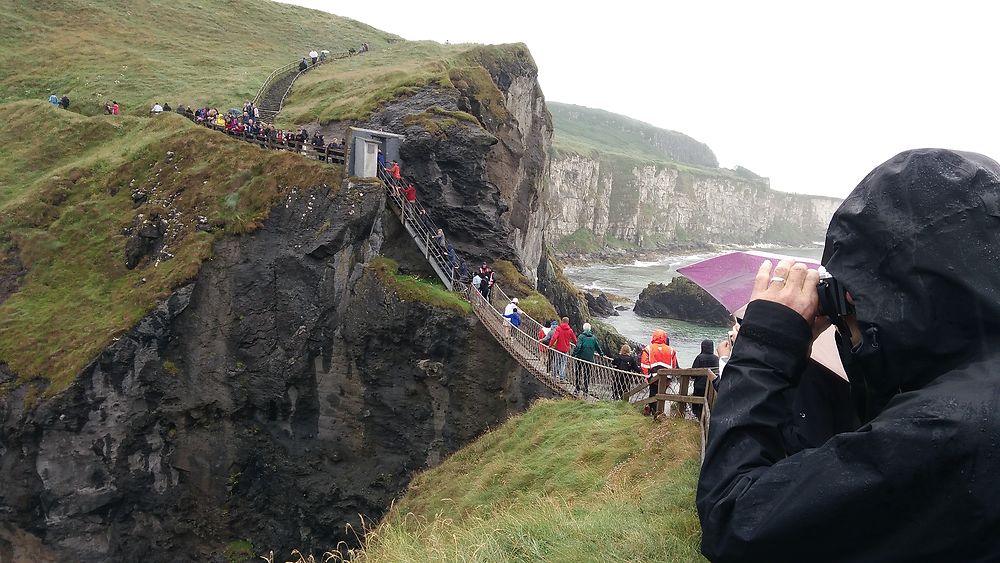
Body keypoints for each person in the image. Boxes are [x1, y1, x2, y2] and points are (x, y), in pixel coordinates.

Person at [697, 148, 1000, 562]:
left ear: (893, 301)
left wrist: (767, 346)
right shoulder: (971, 399)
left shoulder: (944, 431)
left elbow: (735, 521)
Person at [640, 329, 679, 416]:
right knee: (662, 395)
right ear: (665, 338)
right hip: (666, 378)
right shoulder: (671, 350)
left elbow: (644, 364)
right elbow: (674, 366)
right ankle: (659, 412)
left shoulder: (648, 348)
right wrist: (670, 377)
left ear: (654, 337)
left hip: (653, 377)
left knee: (653, 394)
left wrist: (647, 376)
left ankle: (654, 412)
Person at [571, 323, 603, 396]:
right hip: (589, 359)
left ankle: (577, 388)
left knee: (578, 372)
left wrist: (573, 354)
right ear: (590, 329)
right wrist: (601, 354)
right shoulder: (594, 338)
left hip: (580, 358)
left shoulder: (581, 337)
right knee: (587, 374)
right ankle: (586, 389)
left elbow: (578, 346)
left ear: (583, 329)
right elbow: (597, 347)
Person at [689, 339, 719, 419]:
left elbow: (693, 374)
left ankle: (697, 418)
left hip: (699, 386)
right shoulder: (716, 359)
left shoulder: (699, 357)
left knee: (696, 404)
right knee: (708, 405)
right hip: (711, 387)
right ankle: (706, 419)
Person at [547, 317, 577, 382]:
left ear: (562, 321)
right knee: (563, 363)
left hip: (558, 348)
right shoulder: (570, 330)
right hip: (565, 349)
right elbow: (574, 339)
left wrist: (550, 345)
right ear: (568, 322)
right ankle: (561, 377)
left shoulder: (558, 329)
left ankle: (554, 375)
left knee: (556, 361)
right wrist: (576, 345)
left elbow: (554, 337)